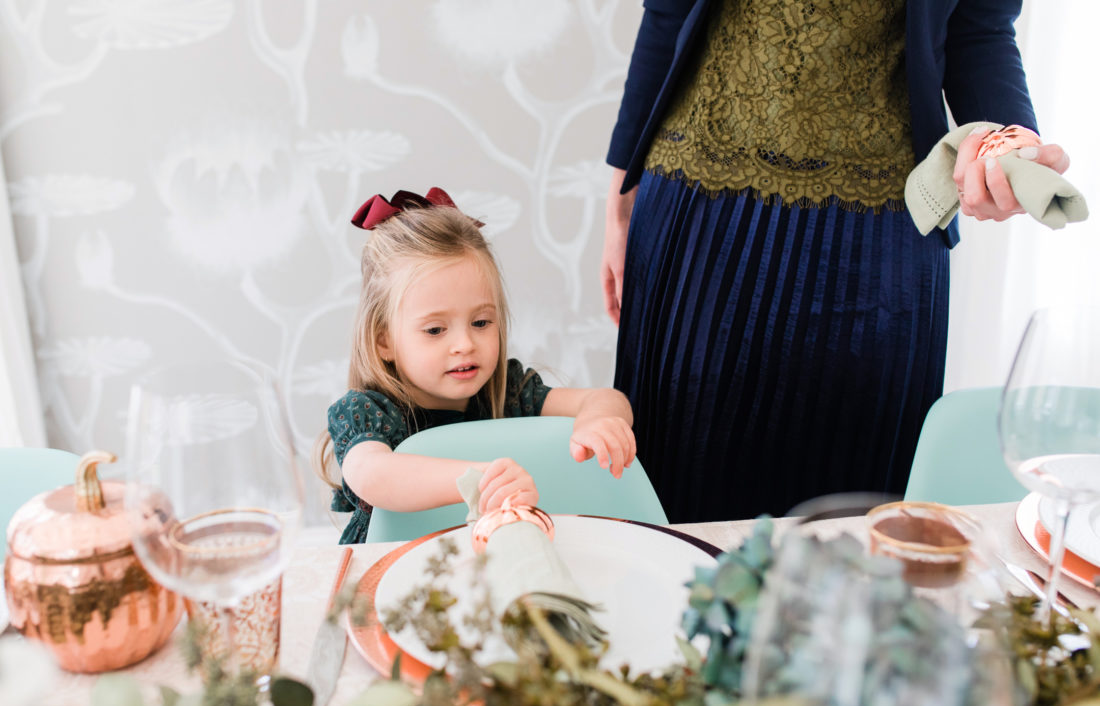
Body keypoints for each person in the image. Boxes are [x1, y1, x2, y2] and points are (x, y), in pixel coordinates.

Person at [601, 0, 1071, 522]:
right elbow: (667, 11)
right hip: (697, 215)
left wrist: (1008, 145)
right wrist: (620, 203)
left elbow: (979, 27)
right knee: (677, 512)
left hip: (878, 243)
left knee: (848, 532)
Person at [314, 188, 637, 544]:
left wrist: (599, 420)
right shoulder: (368, 411)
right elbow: (374, 476)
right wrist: (479, 478)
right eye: (435, 330)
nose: (465, 344)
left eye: (481, 323)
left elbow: (606, 399)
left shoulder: (507, 392)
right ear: (384, 340)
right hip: (393, 573)